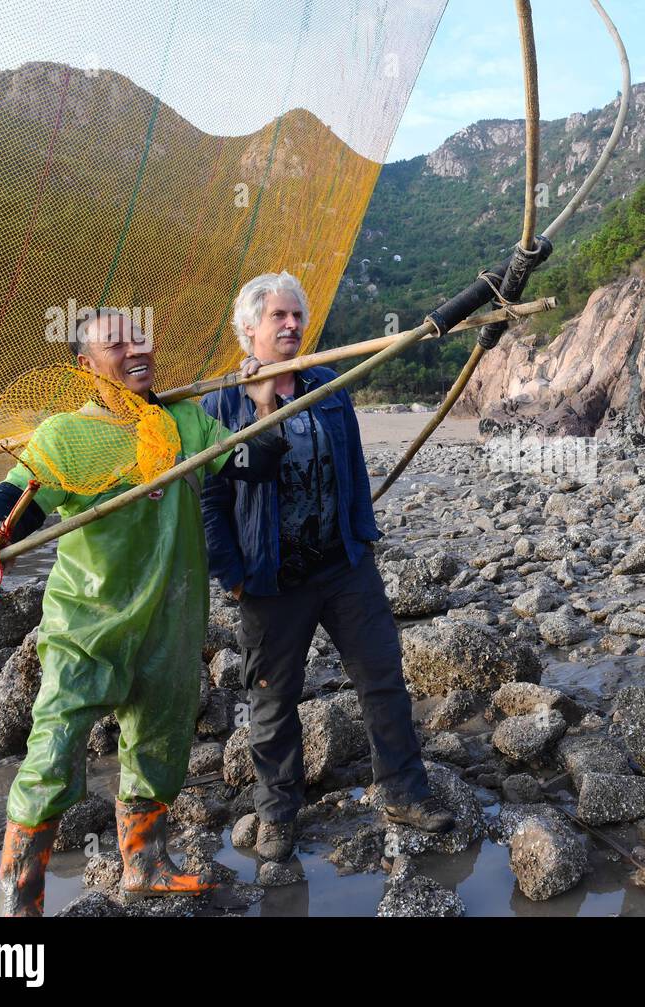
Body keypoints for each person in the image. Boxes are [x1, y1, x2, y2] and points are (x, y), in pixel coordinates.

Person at [0, 310, 287, 916]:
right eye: (117, 343)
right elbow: (17, 498)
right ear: (85, 366)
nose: (137, 350)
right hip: (88, 623)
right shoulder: (66, 435)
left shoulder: (184, 422)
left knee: (161, 741)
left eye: (142, 338)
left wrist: (263, 401)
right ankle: (19, 903)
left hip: (172, 622)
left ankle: (145, 864)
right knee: (52, 750)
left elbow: (256, 462)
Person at [201, 272, 452, 864]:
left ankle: (403, 790)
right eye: (279, 317)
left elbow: (352, 465)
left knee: (382, 677)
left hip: (344, 566)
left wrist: (361, 535)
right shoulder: (220, 403)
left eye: (297, 316)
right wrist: (231, 574)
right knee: (272, 698)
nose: (292, 326)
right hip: (271, 578)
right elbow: (213, 498)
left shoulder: (328, 385)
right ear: (249, 329)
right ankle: (277, 814)